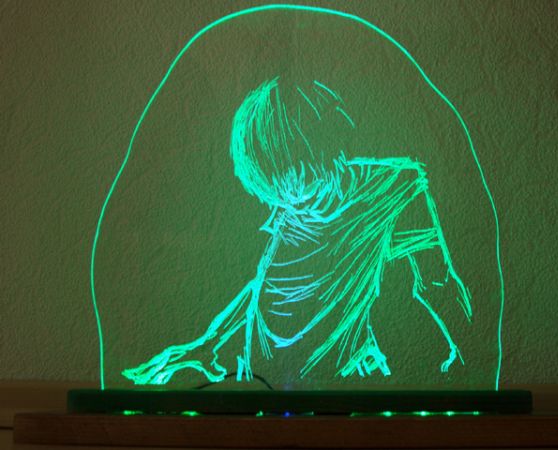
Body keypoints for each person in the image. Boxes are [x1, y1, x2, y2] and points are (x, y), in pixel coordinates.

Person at [122, 77, 472, 385]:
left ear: (321, 145)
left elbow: (437, 283)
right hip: (261, 375)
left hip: (339, 379)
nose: (292, 202)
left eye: (298, 184)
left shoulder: (397, 189)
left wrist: (472, 361)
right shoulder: (293, 204)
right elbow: (267, 282)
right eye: (280, 193)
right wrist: (208, 345)